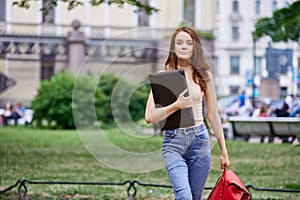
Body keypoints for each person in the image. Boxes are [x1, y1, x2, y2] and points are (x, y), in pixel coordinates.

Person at [145, 26, 230, 200]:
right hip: (173, 143)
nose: (184, 46)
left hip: (200, 141)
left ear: (195, 47)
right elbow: (149, 116)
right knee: (184, 197)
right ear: (173, 47)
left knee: (195, 197)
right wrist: (176, 105)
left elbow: (213, 115)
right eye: (179, 43)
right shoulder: (164, 77)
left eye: (189, 43)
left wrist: (223, 151)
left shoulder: (204, 75)